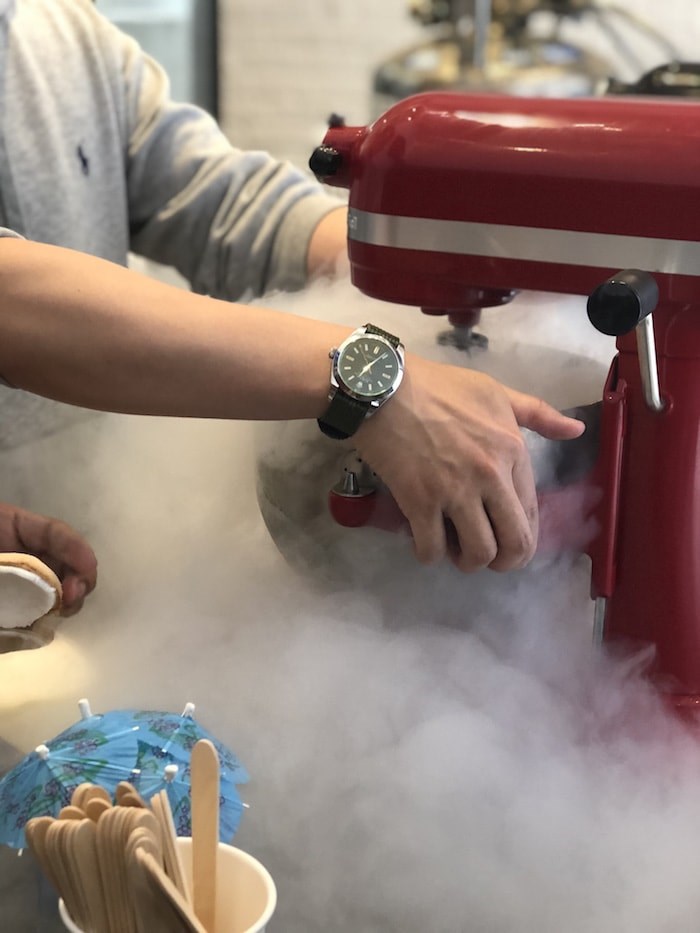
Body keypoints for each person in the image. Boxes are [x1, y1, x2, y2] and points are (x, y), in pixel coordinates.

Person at [0, 0, 584, 578]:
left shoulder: (62, 31)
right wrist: (374, 380)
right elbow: (12, 295)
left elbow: (219, 201)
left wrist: (422, 257)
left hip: (78, 535)